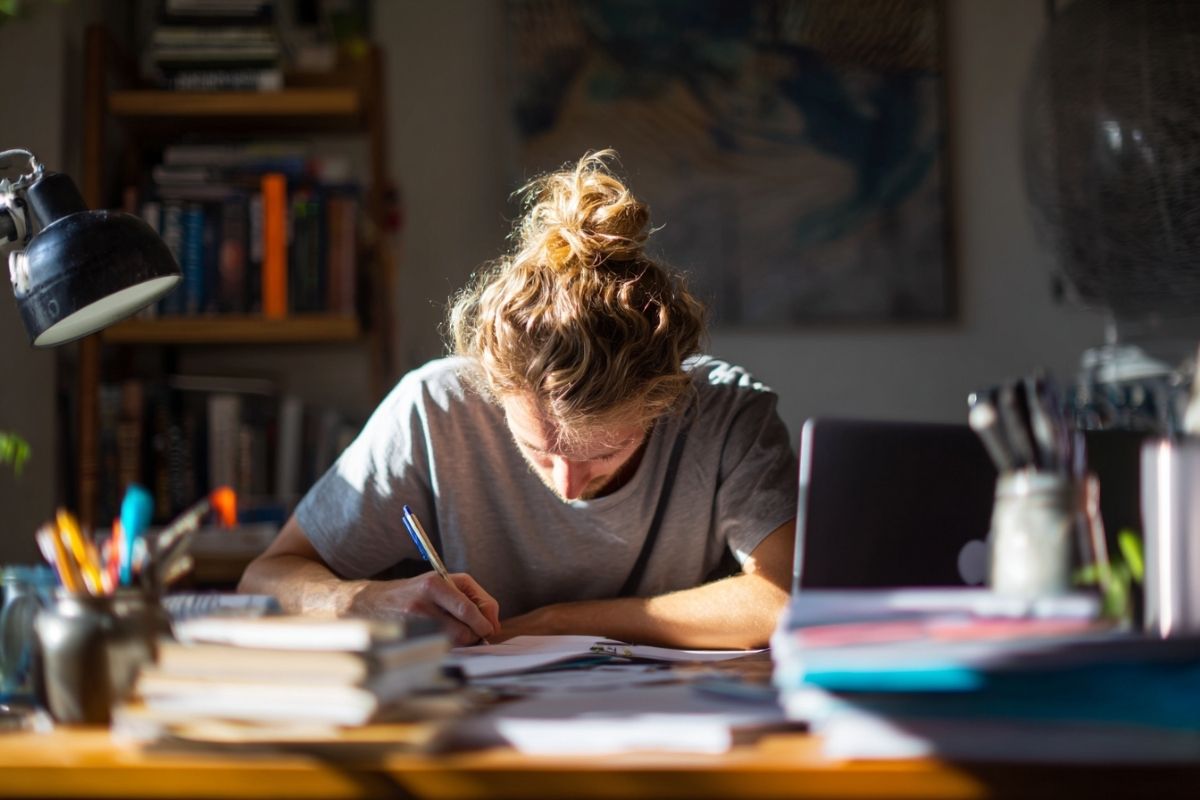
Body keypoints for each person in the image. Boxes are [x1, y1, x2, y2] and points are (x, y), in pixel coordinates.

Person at [239, 150, 798, 649]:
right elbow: (267, 577)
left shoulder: (725, 414)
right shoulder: (434, 410)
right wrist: (359, 600)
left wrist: (556, 622)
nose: (566, 485)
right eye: (536, 447)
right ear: (490, 385)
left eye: (605, 452)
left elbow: (779, 600)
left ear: (667, 398)